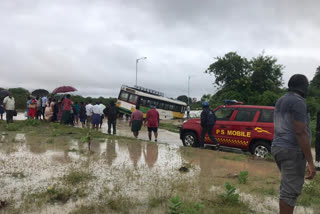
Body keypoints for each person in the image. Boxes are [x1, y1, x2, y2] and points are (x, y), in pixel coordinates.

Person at [271, 74, 316, 214]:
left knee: (286, 188)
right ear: (304, 87)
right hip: (292, 151)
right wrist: (310, 161)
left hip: (278, 147)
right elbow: (300, 131)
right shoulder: (298, 102)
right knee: (289, 193)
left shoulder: (281, 100)